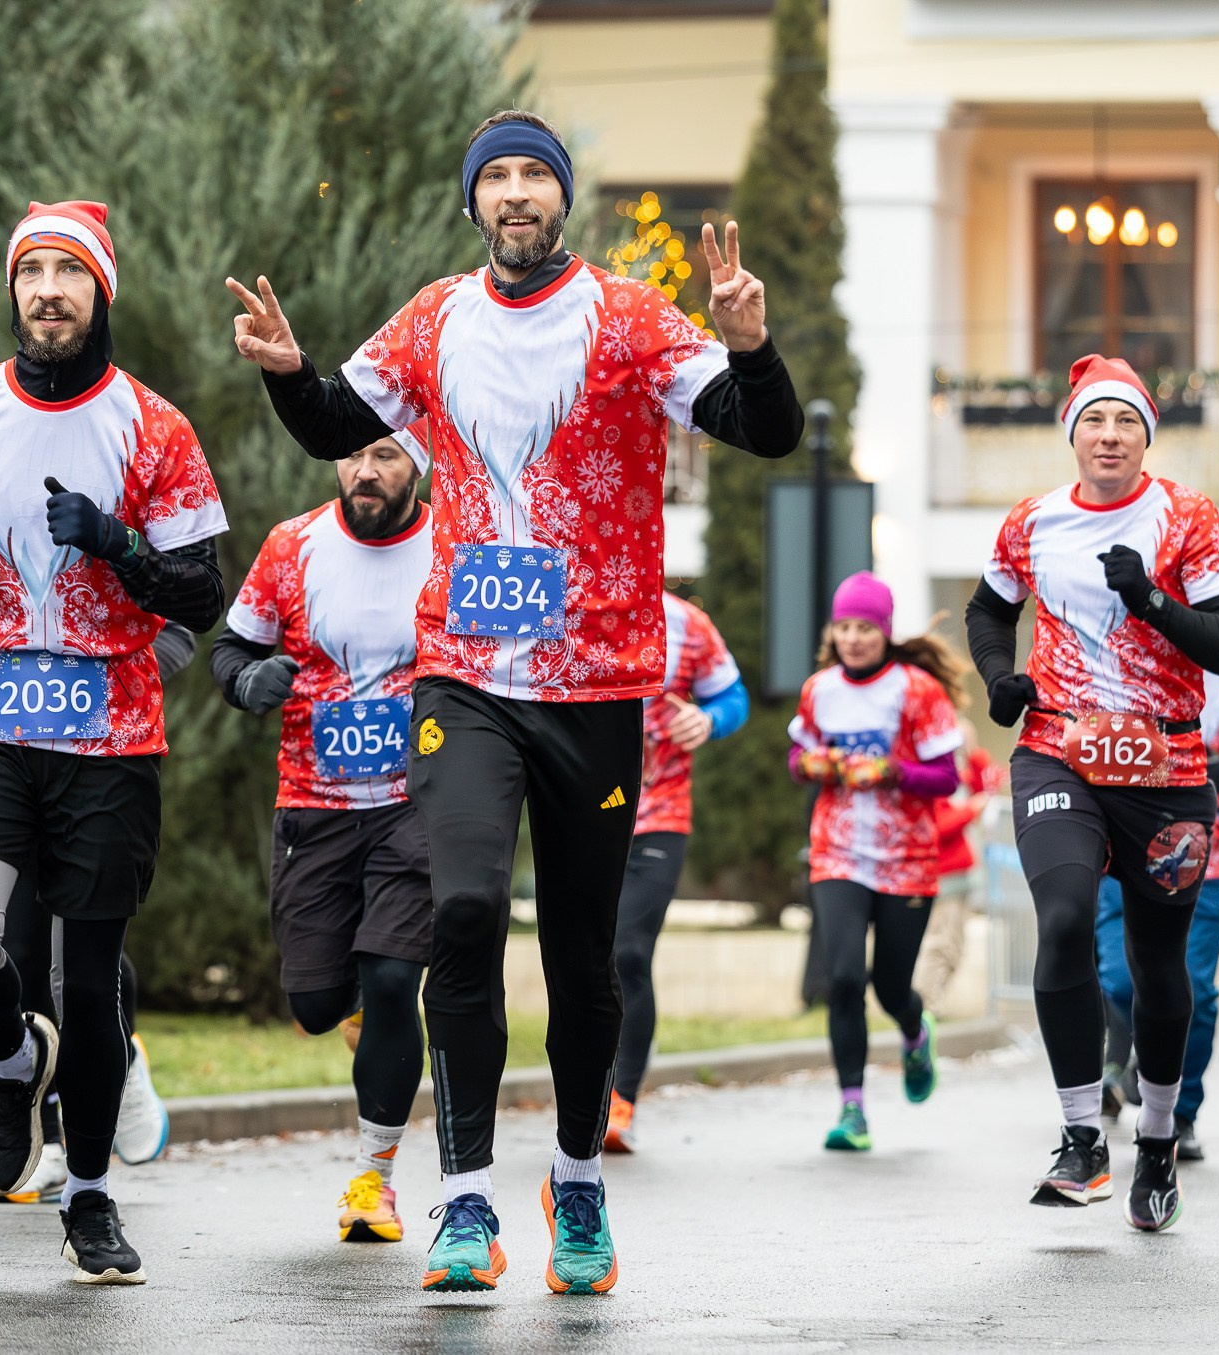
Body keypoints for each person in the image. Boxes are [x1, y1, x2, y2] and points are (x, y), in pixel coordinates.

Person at [224, 111, 801, 1294]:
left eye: (537, 173)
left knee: (584, 957)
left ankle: (576, 1182)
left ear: (563, 198)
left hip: (597, 685)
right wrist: (287, 374)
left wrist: (750, 349)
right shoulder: (436, 316)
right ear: (475, 203)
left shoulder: (631, 317)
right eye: (498, 177)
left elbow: (767, 431)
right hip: (467, 680)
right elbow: (340, 421)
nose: (518, 193)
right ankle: (466, 1202)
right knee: (468, 909)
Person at [0, 199, 227, 1285]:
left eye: (70, 272)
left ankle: (92, 1198)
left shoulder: (154, 426)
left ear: (101, 291)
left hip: (109, 735)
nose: (49, 292)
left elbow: (202, 590)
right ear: (13, 290)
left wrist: (117, 545)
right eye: (33, 273)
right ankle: (17, 1060)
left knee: (90, 977)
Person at [964, 354, 1219, 1232]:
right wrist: (999, 676)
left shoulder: (1189, 518)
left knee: (1159, 964)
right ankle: (1082, 1137)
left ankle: (1158, 1141)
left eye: (1127, 420)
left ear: (1146, 437)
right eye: (1094, 419)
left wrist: (1154, 601)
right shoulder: (1033, 521)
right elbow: (989, 609)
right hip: (1058, 753)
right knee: (1061, 921)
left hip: (1167, 773)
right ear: (1072, 433)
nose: (1109, 435)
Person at [208, 432, 436, 1244]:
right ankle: (351, 1010)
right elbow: (232, 647)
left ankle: (373, 1180)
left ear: (420, 464)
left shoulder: (453, 545)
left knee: (392, 978)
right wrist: (247, 679)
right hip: (314, 804)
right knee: (314, 1003)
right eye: (351, 455)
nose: (364, 471)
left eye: (386, 454)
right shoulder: (292, 544)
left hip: (415, 804)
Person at [0, 587, 184, 1202]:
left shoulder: (117, 533)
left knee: (75, 955)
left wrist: (112, 671)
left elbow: (181, 617)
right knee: (6, 943)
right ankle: (42, 1135)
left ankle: (121, 1059)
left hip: (97, 755)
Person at [790, 572, 967, 1152]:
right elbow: (798, 755)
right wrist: (813, 765)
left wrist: (892, 770)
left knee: (890, 989)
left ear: (885, 632)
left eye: (864, 628)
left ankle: (914, 1031)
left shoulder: (917, 690)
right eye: (844, 627)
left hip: (905, 860)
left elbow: (947, 777)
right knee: (843, 978)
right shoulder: (820, 690)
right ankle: (853, 1109)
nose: (853, 638)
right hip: (837, 852)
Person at [1093, 669, 1219, 1160]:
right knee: (1119, 980)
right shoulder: (1120, 652)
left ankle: (1180, 1114)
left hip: (1204, 850)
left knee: (1195, 990)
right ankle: (1139, 1059)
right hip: (1122, 844)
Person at [604, 591, 749, 1153]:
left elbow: (733, 697)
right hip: (581, 816)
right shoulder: (568, 600)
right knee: (581, 959)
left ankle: (620, 1101)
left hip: (659, 815)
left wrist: (709, 718)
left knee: (629, 954)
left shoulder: (687, 623)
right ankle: (584, 1093)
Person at [912, 721, 1003, 1013]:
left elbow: (986, 783)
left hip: (962, 877)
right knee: (941, 945)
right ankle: (924, 1008)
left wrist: (973, 748)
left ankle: (928, 1007)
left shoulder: (956, 774)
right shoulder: (932, 779)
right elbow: (936, 826)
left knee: (955, 947)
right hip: (943, 877)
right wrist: (969, 811)